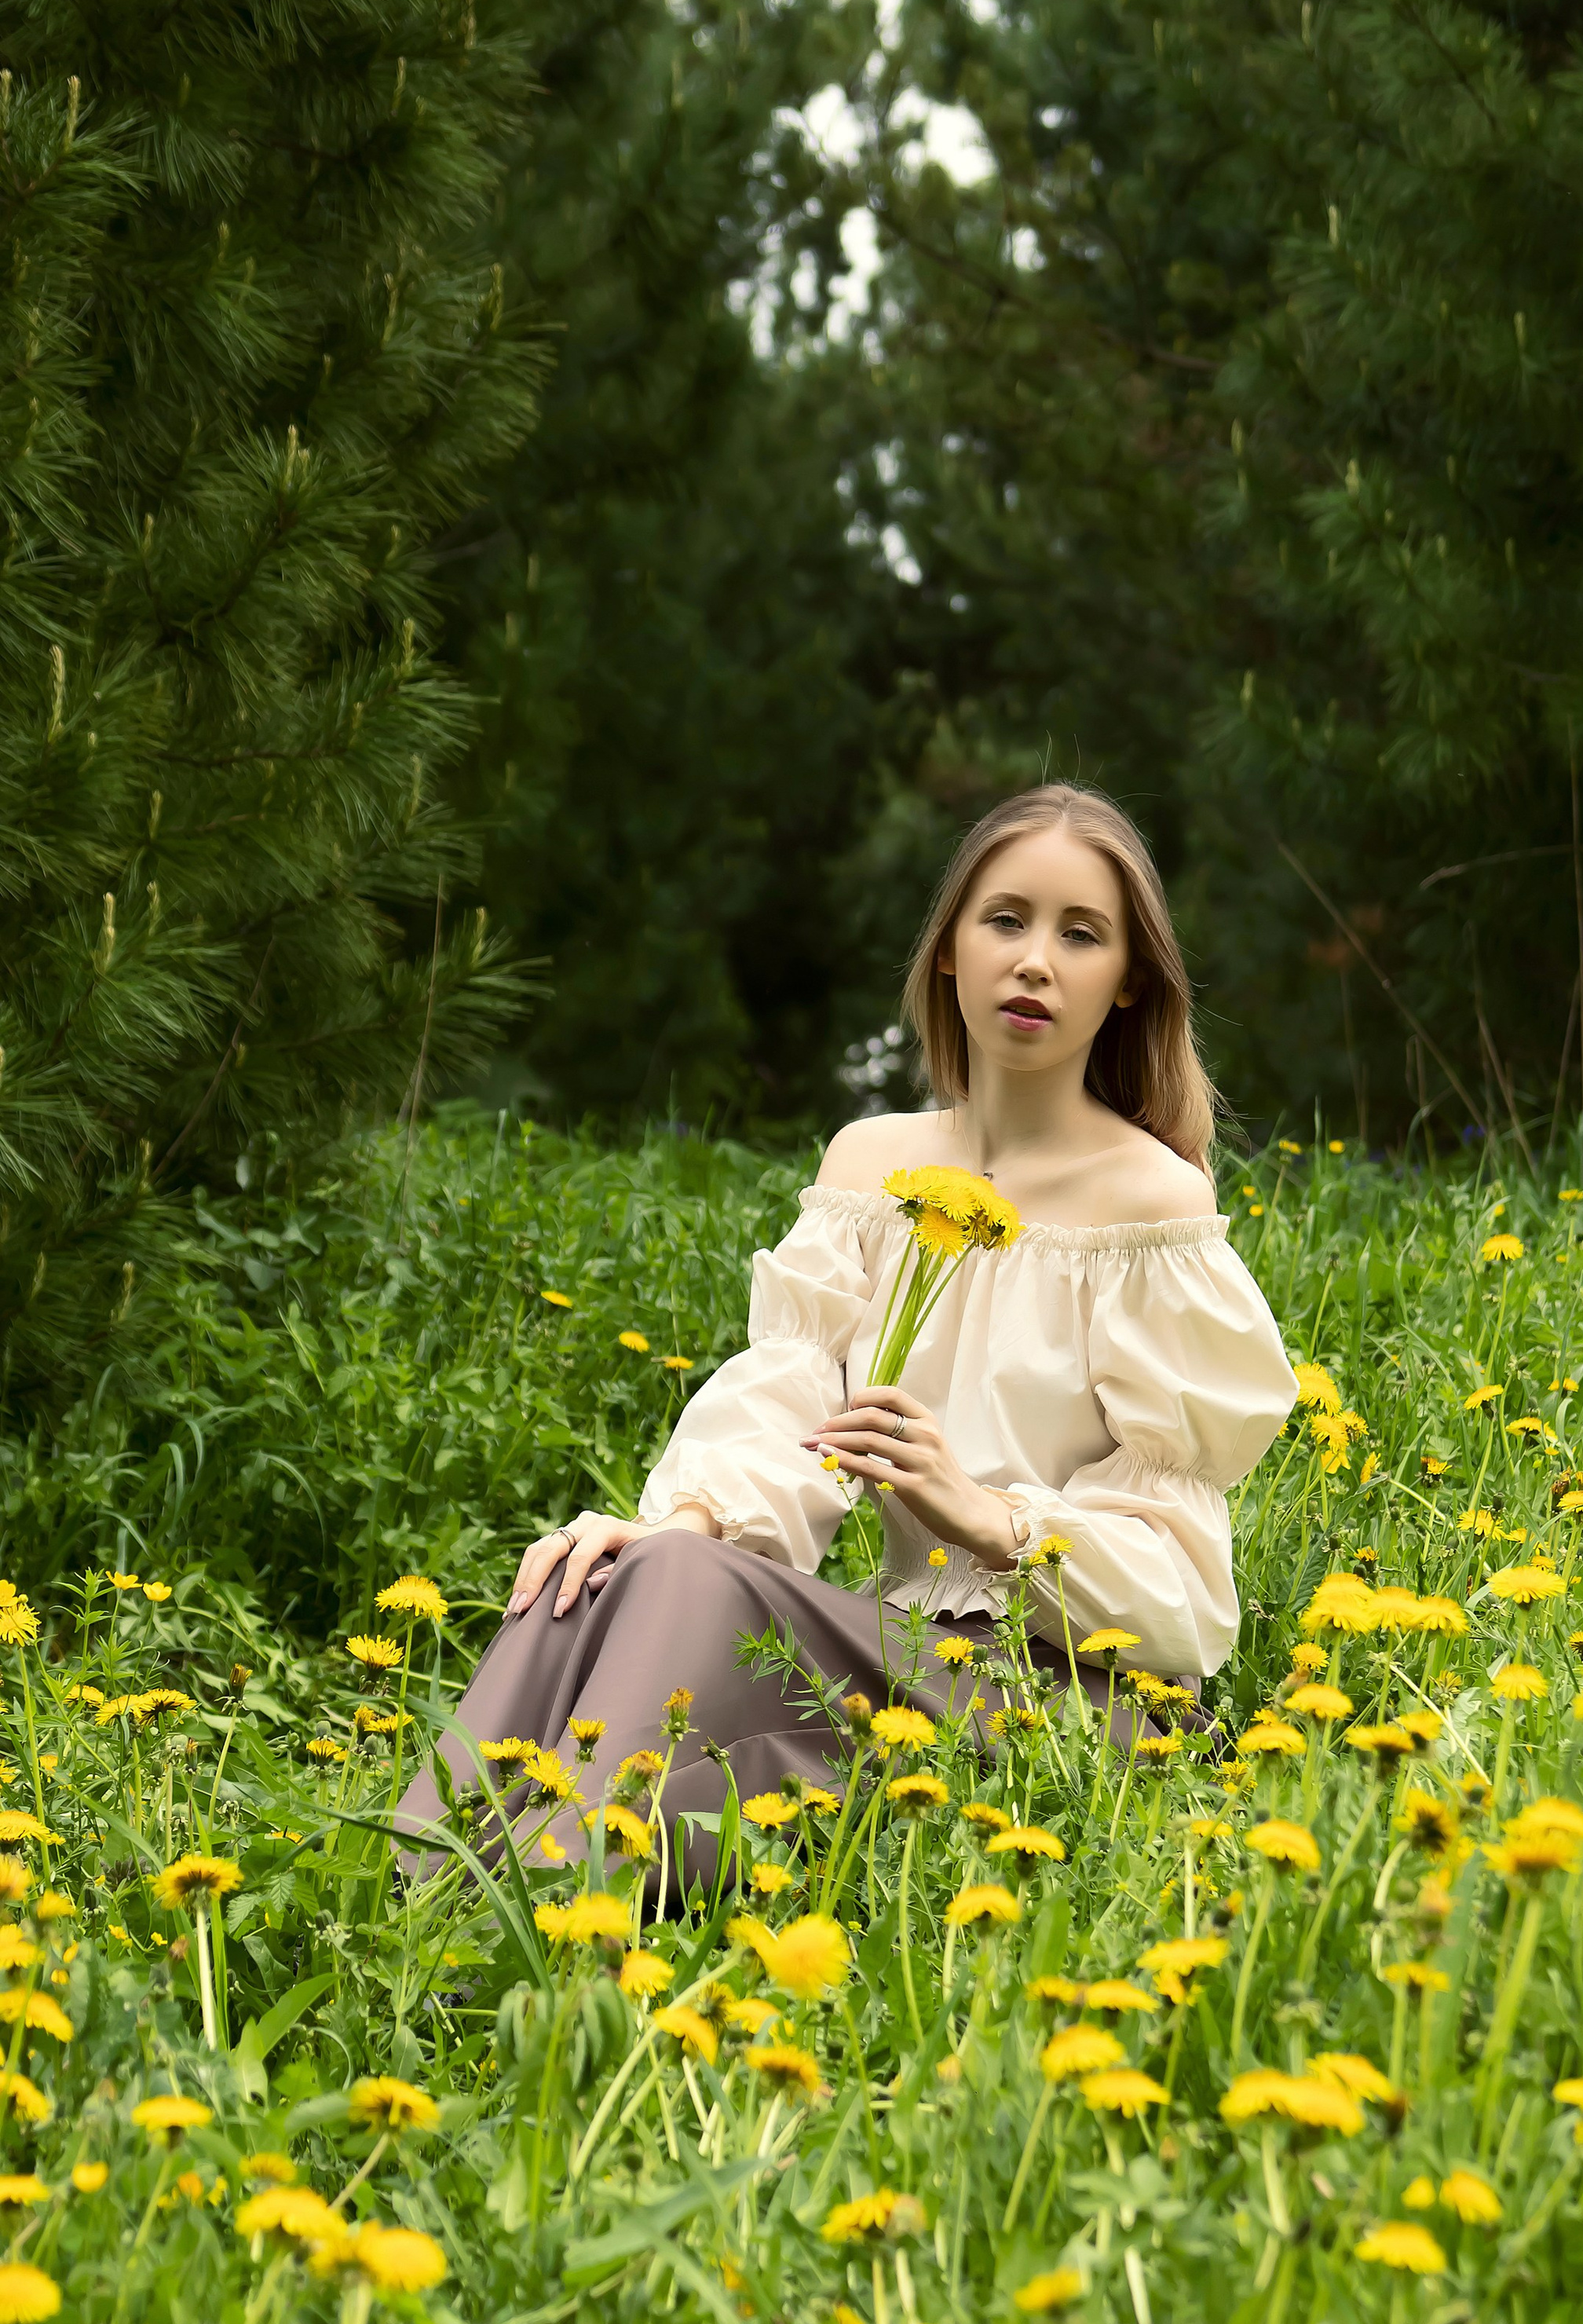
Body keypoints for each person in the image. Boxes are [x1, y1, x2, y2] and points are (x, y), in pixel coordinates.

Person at [393, 781, 1296, 1890]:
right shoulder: (872, 1170)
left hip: (1074, 1705)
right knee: (611, 1572)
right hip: (893, 1657)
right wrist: (679, 1519)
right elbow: (787, 1401)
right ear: (952, 953)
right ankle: (423, 1895)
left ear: (1126, 986)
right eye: (1005, 920)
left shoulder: (1149, 1206)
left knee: (678, 1591)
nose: (1035, 961)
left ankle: (513, 1920)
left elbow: (1186, 1594)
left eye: (1081, 935)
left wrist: (992, 1516)